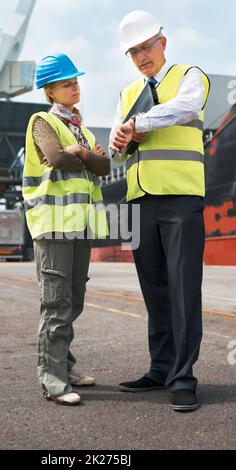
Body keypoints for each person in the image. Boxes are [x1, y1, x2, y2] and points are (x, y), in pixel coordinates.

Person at [110, 10, 210, 412]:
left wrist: (137, 123)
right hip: (139, 201)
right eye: (133, 52)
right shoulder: (126, 92)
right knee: (155, 292)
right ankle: (161, 368)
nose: (140, 57)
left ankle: (183, 379)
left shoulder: (190, 76)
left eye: (146, 47)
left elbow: (184, 110)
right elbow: (120, 137)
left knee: (184, 289)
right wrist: (118, 138)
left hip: (180, 198)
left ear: (162, 43)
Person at [22, 53, 110, 406]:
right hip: (53, 224)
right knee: (56, 304)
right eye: (66, 83)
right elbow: (56, 158)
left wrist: (84, 153)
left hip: (81, 225)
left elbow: (103, 166)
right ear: (50, 92)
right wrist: (85, 155)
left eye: (75, 81)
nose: (74, 86)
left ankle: (65, 365)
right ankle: (53, 380)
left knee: (73, 301)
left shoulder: (83, 130)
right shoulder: (41, 121)